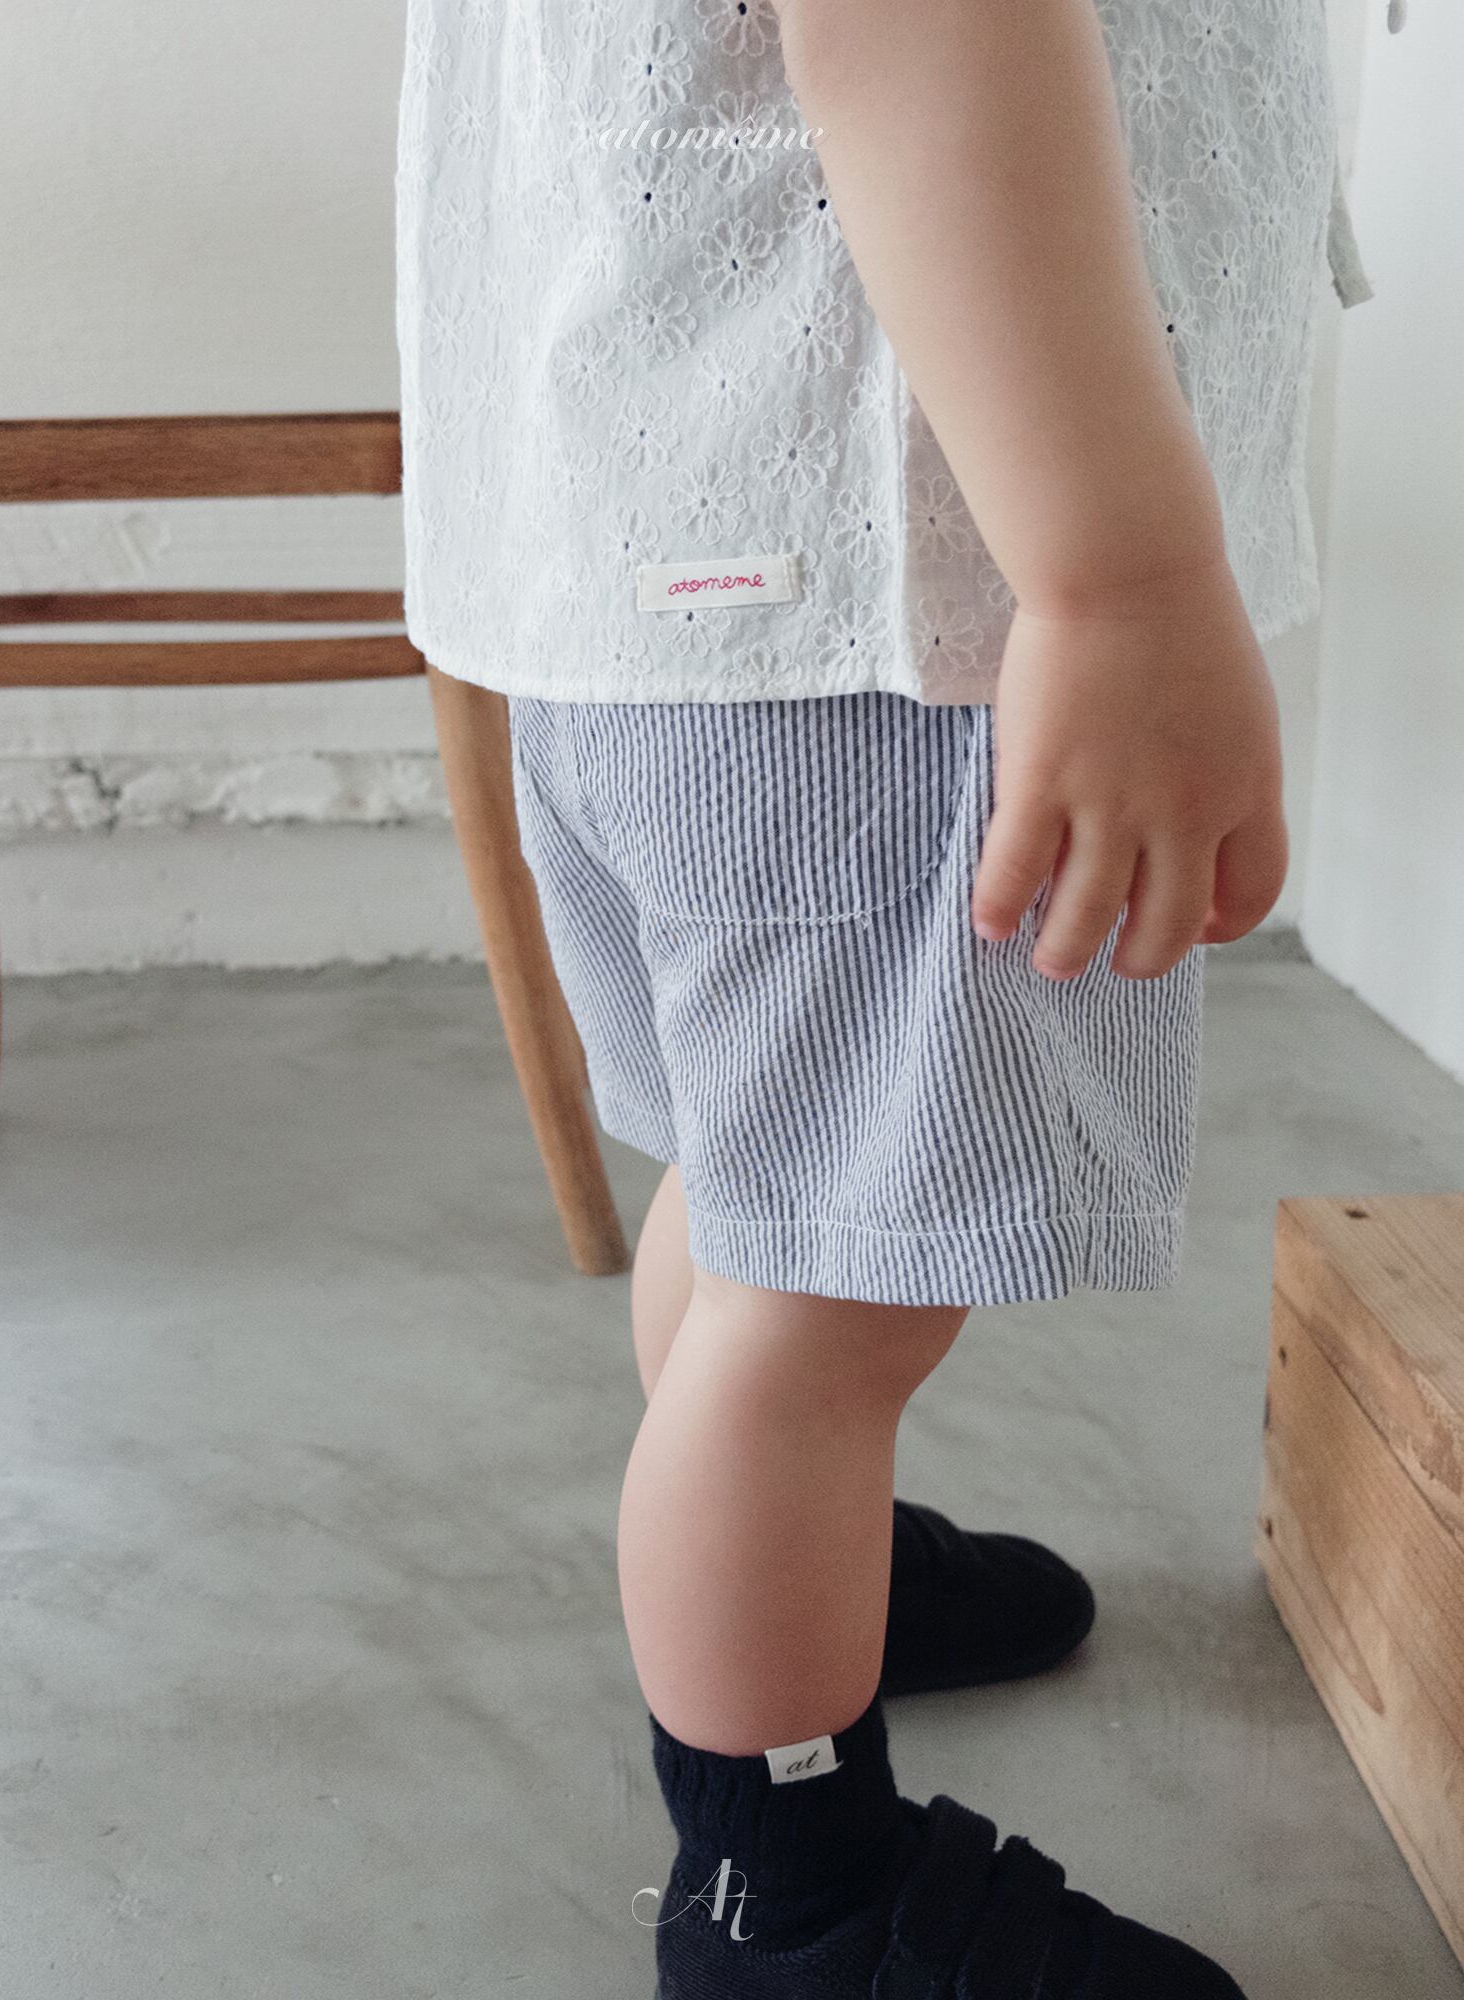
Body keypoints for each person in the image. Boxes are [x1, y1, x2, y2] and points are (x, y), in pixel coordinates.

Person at [394, 0, 1385, 1992]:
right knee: (821, 1314)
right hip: (884, 591)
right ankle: (796, 1890)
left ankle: (786, 1594)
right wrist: (1119, 582)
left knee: (768, 1203)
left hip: (673, 541)